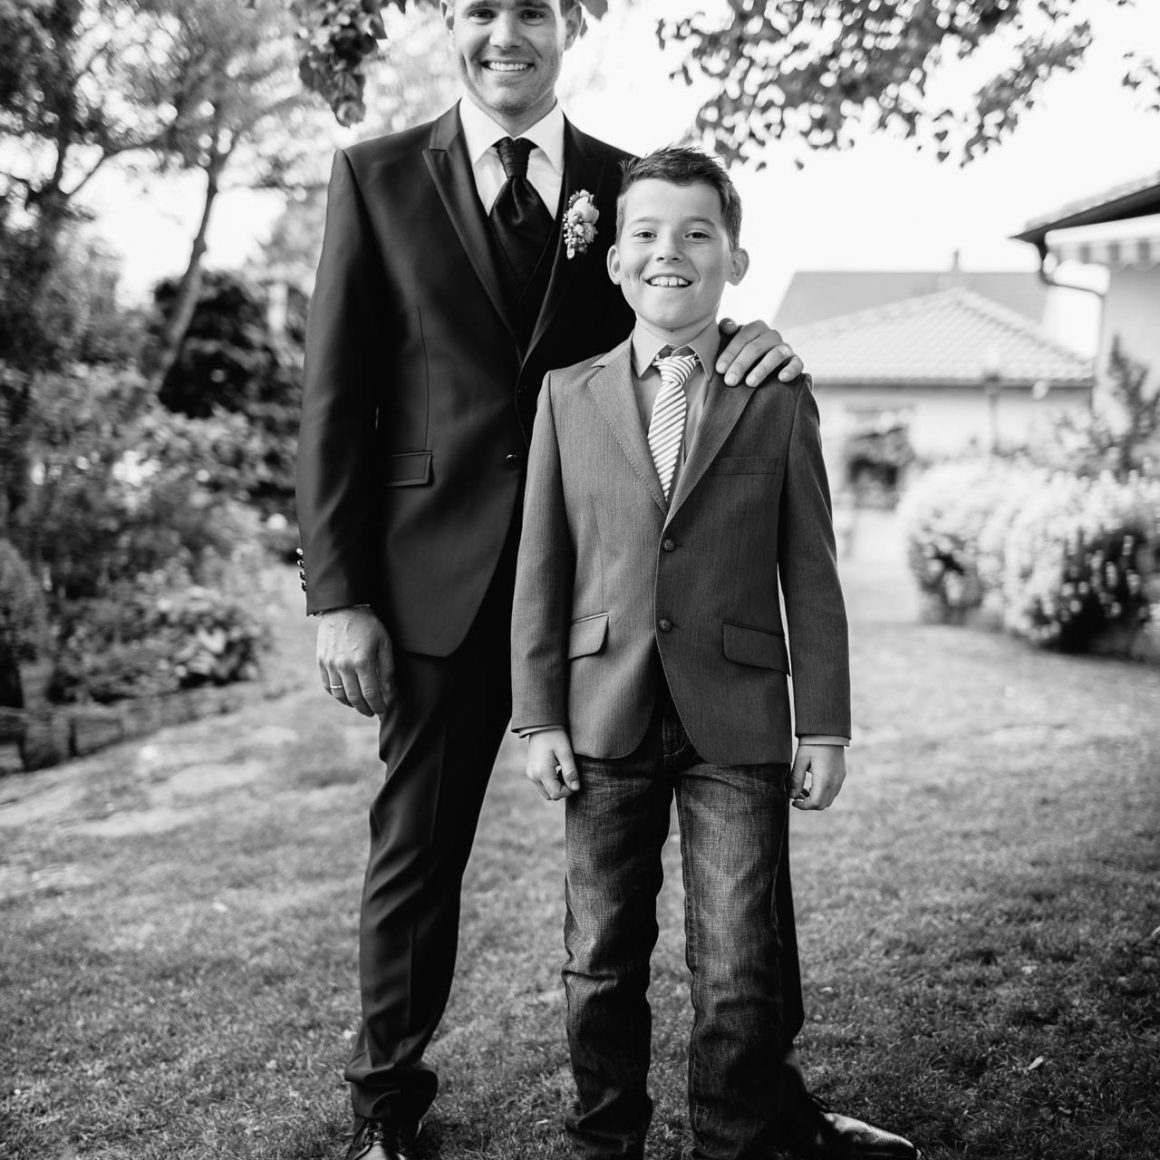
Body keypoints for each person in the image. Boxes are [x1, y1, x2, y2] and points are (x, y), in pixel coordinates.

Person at [294, 2, 867, 1158]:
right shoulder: (375, 176)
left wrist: (757, 340)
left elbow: (674, 302)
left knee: (739, 878)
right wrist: (337, 594)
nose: (505, 32)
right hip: (438, 583)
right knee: (415, 852)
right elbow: (334, 392)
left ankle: (769, 1100)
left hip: (622, 583)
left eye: (532, 9)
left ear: (572, 26)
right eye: (479, 9)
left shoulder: (622, 180)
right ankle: (385, 1107)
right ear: (450, 26)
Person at [511, 148, 919, 1160]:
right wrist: (537, 714)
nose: (671, 251)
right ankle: (603, 1138)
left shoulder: (775, 395)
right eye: (647, 233)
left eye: (697, 233)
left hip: (735, 719)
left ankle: (734, 1142)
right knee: (599, 957)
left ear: (733, 260)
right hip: (601, 712)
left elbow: (810, 569)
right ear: (615, 262)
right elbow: (541, 567)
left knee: (739, 965)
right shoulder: (566, 394)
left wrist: (824, 725)